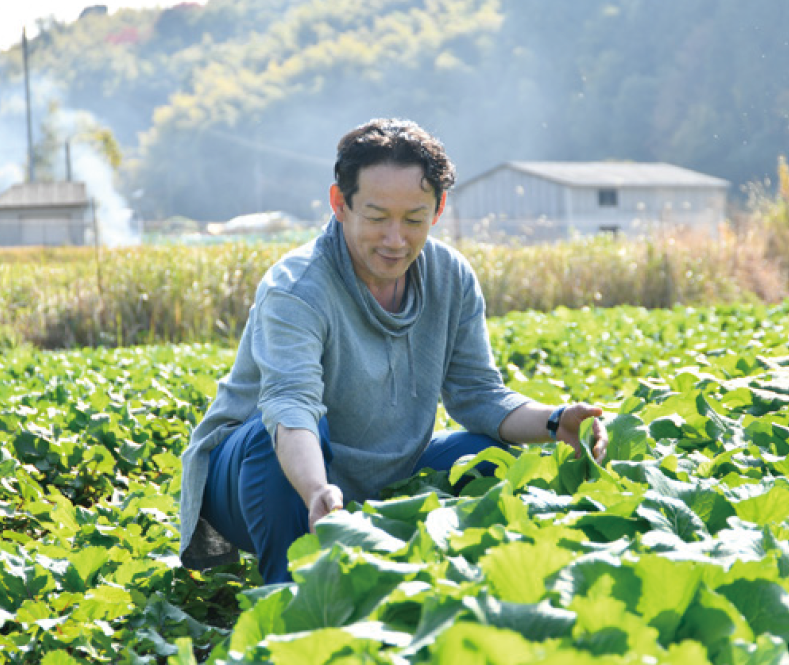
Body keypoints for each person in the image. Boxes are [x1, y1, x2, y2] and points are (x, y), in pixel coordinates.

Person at [179, 118, 608, 583]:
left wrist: (555, 420)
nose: (396, 239)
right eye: (378, 217)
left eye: (414, 219)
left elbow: (478, 394)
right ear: (339, 204)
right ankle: (295, 596)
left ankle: (453, 586)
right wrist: (318, 489)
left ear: (439, 209)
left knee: (485, 457)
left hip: (381, 475)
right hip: (259, 477)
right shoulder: (298, 287)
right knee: (276, 433)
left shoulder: (450, 277)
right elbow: (290, 407)